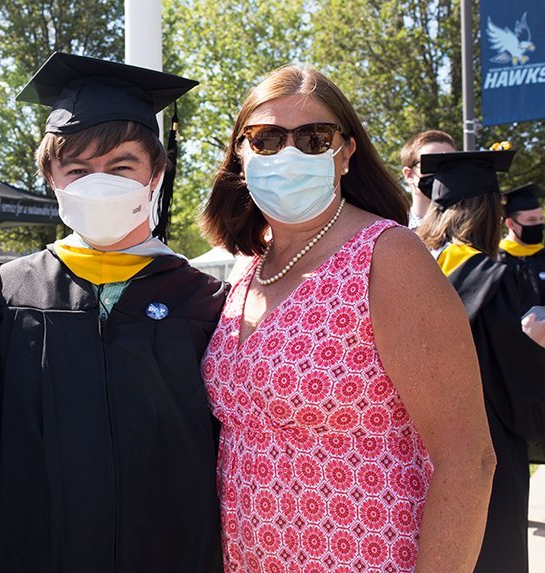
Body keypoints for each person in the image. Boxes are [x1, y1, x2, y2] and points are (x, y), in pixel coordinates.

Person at [201, 64, 495, 572]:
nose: (289, 155)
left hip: (364, 555)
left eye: (315, 138)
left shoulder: (389, 256)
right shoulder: (249, 267)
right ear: (241, 154)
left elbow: (467, 460)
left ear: (345, 153)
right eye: (266, 138)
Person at [0, 52, 226, 573]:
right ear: (51, 176)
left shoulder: (205, 302)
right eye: (78, 170)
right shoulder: (7, 292)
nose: (100, 183)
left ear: (155, 172)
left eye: (121, 167)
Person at [417, 150, 545, 573]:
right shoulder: (495, 280)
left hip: (412, 451)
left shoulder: (411, 269)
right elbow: (520, 385)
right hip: (483, 450)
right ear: (489, 213)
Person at [498, 182, 545, 306]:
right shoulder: (497, 261)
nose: (538, 225)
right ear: (510, 224)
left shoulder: (542, 254)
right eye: (531, 220)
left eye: (541, 219)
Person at [399, 129, 456, 230]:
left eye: (451, 163)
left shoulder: (469, 231)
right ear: (409, 175)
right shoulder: (396, 231)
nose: (443, 171)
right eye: (432, 163)